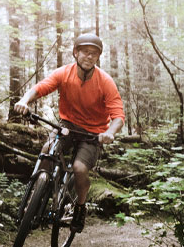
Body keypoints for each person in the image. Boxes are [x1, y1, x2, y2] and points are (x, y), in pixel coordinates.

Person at [13, 33, 125, 233]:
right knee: (47, 150)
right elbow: (41, 88)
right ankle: (37, 194)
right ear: (75, 53)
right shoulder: (64, 73)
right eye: (85, 52)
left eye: (94, 54)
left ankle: (80, 207)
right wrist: (24, 101)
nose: (89, 57)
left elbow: (118, 115)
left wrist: (110, 132)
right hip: (67, 125)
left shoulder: (105, 82)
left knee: (80, 168)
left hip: (92, 133)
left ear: (98, 58)